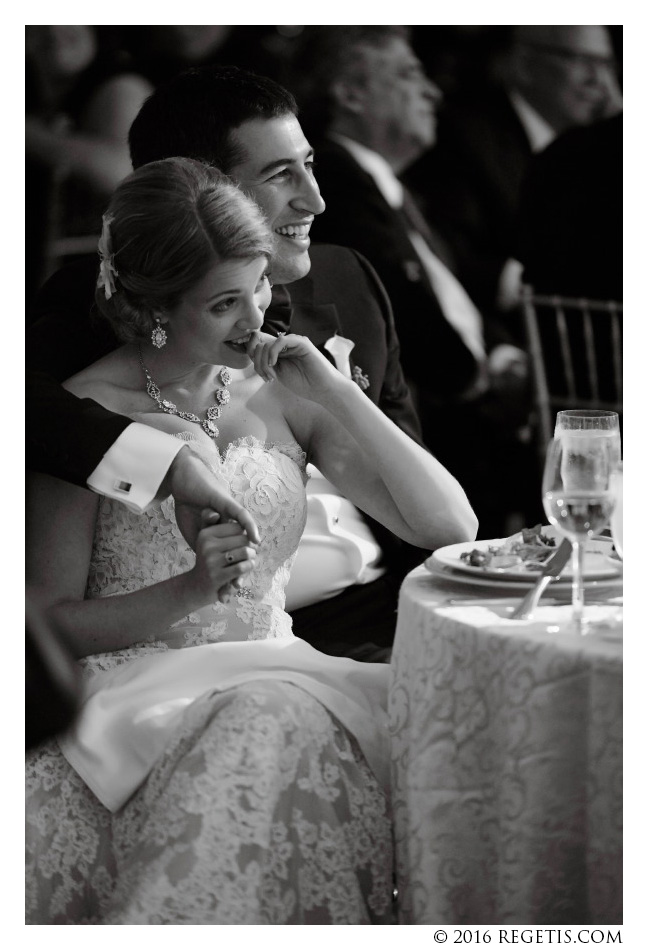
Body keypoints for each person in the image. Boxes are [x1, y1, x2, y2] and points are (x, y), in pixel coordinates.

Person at [25, 157, 478, 924]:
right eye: (223, 303)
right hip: (135, 691)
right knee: (261, 723)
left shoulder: (287, 395)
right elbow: (53, 625)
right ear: (155, 309)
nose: (254, 318)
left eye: (260, 287)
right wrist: (191, 590)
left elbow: (447, 528)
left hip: (279, 666)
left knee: (285, 715)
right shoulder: (84, 417)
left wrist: (335, 391)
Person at [27, 64, 429, 662]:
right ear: (202, 191)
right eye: (279, 174)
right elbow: (33, 411)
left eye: (309, 164)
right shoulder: (101, 305)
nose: (315, 199)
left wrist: (340, 394)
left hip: (365, 611)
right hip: (166, 649)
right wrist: (166, 461)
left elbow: (418, 492)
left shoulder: (350, 279)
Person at [290, 26, 531, 537]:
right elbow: (405, 310)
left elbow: (447, 286)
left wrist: (497, 350)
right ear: (351, 93)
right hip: (435, 424)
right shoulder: (335, 182)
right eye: (408, 73)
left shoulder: (392, 187)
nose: (432, 91)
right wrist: (479, 376)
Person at [403, 25, 622, 319]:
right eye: (583, 61)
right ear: (523, 65)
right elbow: (453, 253)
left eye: (605, 64)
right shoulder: (463, 137)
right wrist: (552, 284)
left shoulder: (594, 152)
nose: (599, 81)